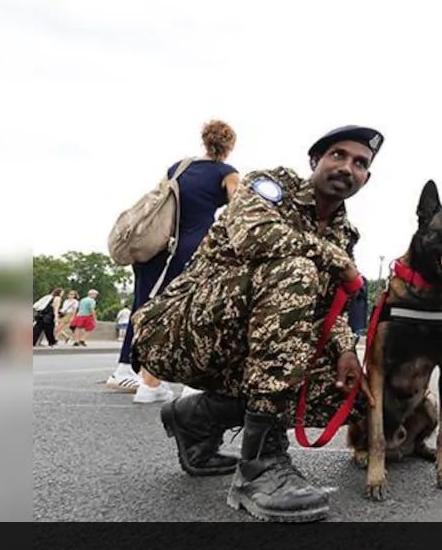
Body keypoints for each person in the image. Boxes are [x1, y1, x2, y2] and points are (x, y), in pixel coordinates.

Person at [131, 125, 382, 523]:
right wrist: (338, 262)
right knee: (295, 272)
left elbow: (325, 305)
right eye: (337, 155)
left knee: (340, 390)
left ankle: (197, 419)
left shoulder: (343, 232)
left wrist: (347, 350)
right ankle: (259, 465)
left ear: (366, 179)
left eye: (360, 164)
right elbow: (256, 237)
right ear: (315, 160)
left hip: (244, 339)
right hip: (178, 330)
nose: (347, 167)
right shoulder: (268, 186)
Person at [106, 120, 240, 403]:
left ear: (204, 141)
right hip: (193, 246)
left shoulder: (178, 167)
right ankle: (187, 382)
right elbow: (239, 208)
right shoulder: (227, 173)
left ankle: (133, 372)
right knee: (190, 311)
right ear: (229, 146)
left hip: (156, 245)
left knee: (144, 307)